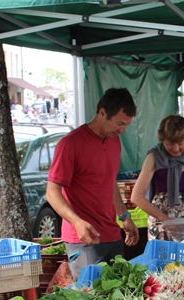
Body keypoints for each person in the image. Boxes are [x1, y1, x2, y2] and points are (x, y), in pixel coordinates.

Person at [46, 87, 139, 265]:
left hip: (112, 234)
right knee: (89, 291)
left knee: (119, 290)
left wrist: (124, 216)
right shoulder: (70, 144)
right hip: (84, 239)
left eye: (126, 125)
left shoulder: (114, 141)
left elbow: (109, 181)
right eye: (119, 123)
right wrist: (76, 222)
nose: (122, 130)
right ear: (102, 113)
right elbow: (52, 192)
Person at [130, 115, 184, 241]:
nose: (176, 149)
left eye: (181, 144)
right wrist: (164, 219)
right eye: (170, 144)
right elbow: (136, 197)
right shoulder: (154, 157)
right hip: (161, 219)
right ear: (163, 139)